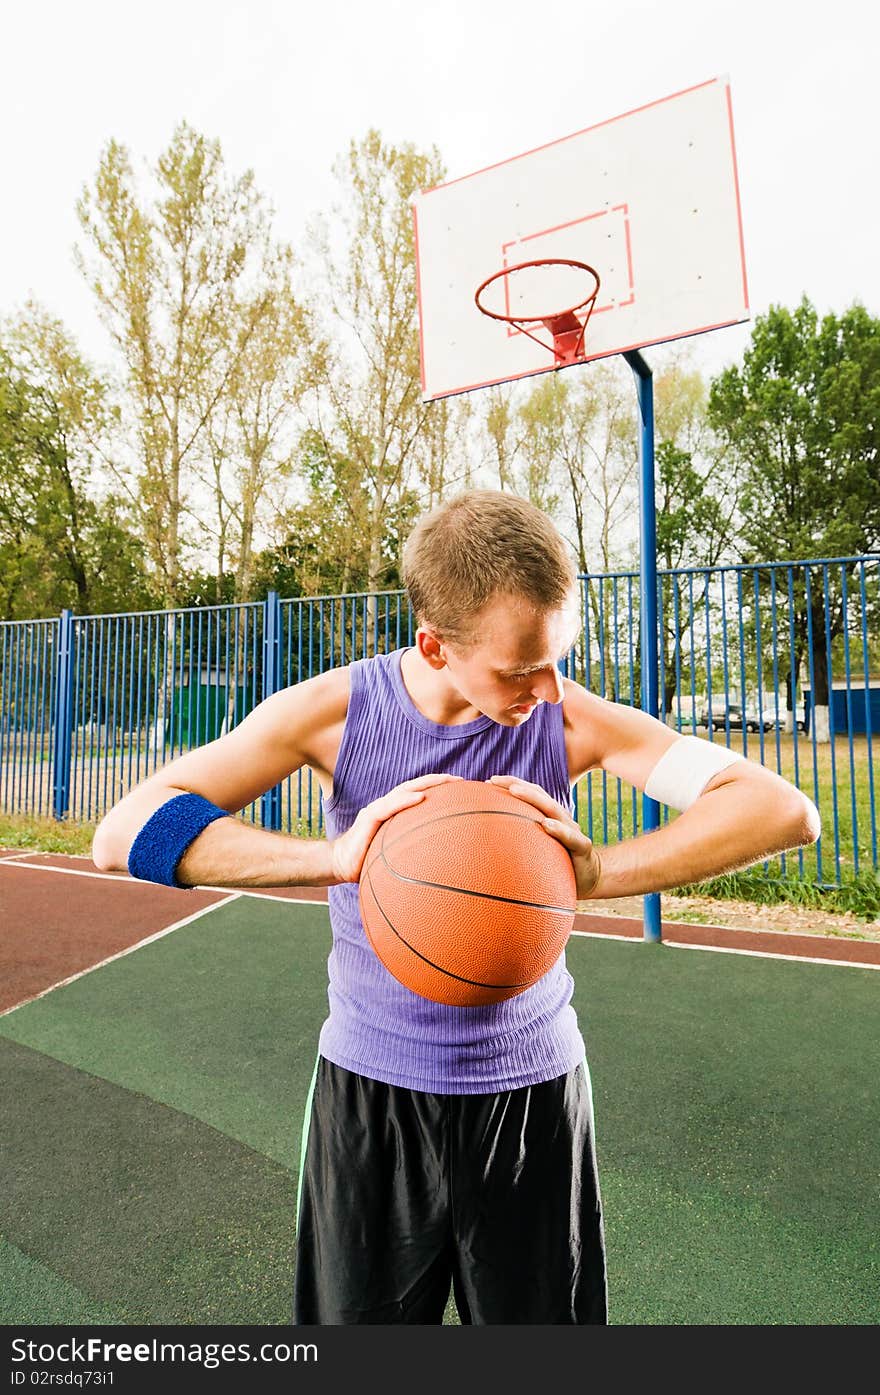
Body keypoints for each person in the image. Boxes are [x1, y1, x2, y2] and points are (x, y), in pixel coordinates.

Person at [92, 489, 820, 1325]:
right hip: (372, 1099)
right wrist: (332, 857)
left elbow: (780, 807)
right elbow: (122, 833)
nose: (547, 688)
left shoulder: (565, 716)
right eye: (518, 669)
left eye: (557, 658)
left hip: (533, 1098)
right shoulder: (334, 716)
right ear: (433, 644)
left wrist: (596, 873)